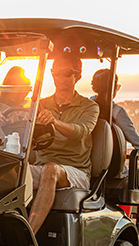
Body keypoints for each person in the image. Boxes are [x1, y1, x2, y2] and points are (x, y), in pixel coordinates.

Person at [28, 55, 99, 234]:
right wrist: (4, 120)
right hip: (41, 167)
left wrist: (54, 122)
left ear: (78, 76)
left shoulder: (89, 107)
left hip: (76, 172)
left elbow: (80, 132)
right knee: (10, 171)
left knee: (51, 169)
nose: (60, 77)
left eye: (66, 73)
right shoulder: (40, 104)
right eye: (56, 72)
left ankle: (29, 234)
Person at [90, 69, 139, 153]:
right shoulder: (117, 112)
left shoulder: (87, 106)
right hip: (111, 158)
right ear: (114, 88)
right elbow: (136, 141)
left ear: (93, 89)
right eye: (117, 87)